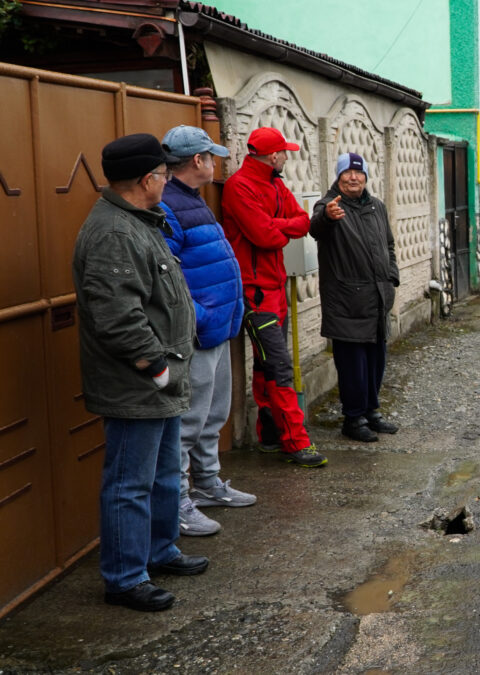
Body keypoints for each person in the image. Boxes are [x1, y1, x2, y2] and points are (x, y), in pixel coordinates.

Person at [73, 133, 208, 612]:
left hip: (158, 383)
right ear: (148, 179)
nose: (167, 180)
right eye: (164, 174)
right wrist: (156, 370)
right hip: (137, 385)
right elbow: (118, 316)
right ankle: (125, 577)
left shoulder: (136, 221)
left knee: (163, 474)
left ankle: (159, 549)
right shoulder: (115, 231)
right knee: (130, 482)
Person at [159, 125, 257, 537]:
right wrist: (198, 317)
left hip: (217, 328)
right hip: (198, 333)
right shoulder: (168, 205)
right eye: (211, 157)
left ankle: (209, 484)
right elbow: (170, 275)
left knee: (213, 414)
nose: (216, 163)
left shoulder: (193, 200)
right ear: (197, 160)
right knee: (188, 422)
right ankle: (178, 502)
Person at [221, 126, 326, 467]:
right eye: (283, 152)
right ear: (272, 155)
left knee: (268, 365)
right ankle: (296, 442)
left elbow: (302, 222)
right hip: (255, 292)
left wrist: (276, 225)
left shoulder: (276, 183)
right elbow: (266, 236)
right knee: (279, 366)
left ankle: (268, 434)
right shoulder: (239, 187)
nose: (286, 156)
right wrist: (281, 227)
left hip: (275, 286)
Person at [309, 152, 400, 442]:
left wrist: (392, 276)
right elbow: (316, 227)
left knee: (376, 361)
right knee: (352, 365)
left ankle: (371, 412)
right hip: (347, 301)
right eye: (347, 172)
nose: (353, 177)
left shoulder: (377, 207)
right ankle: (353, 418)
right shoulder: (330, 205)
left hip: (377, 298)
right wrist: (327, 217)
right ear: (338, 176)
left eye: (358, 173)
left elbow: (389, 244)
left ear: (366, 177)